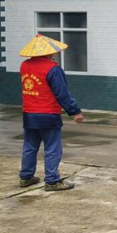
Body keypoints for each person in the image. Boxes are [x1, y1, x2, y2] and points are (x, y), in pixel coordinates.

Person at [18, 34, 84, 192]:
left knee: (30, 146)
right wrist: (75, 111)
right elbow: (62, 93)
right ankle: (52, 181)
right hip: (48, 113)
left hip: (29, 113)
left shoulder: (24, 65)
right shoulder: (53, 69)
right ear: (48, 51)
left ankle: (26, 177)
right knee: (52, 148)